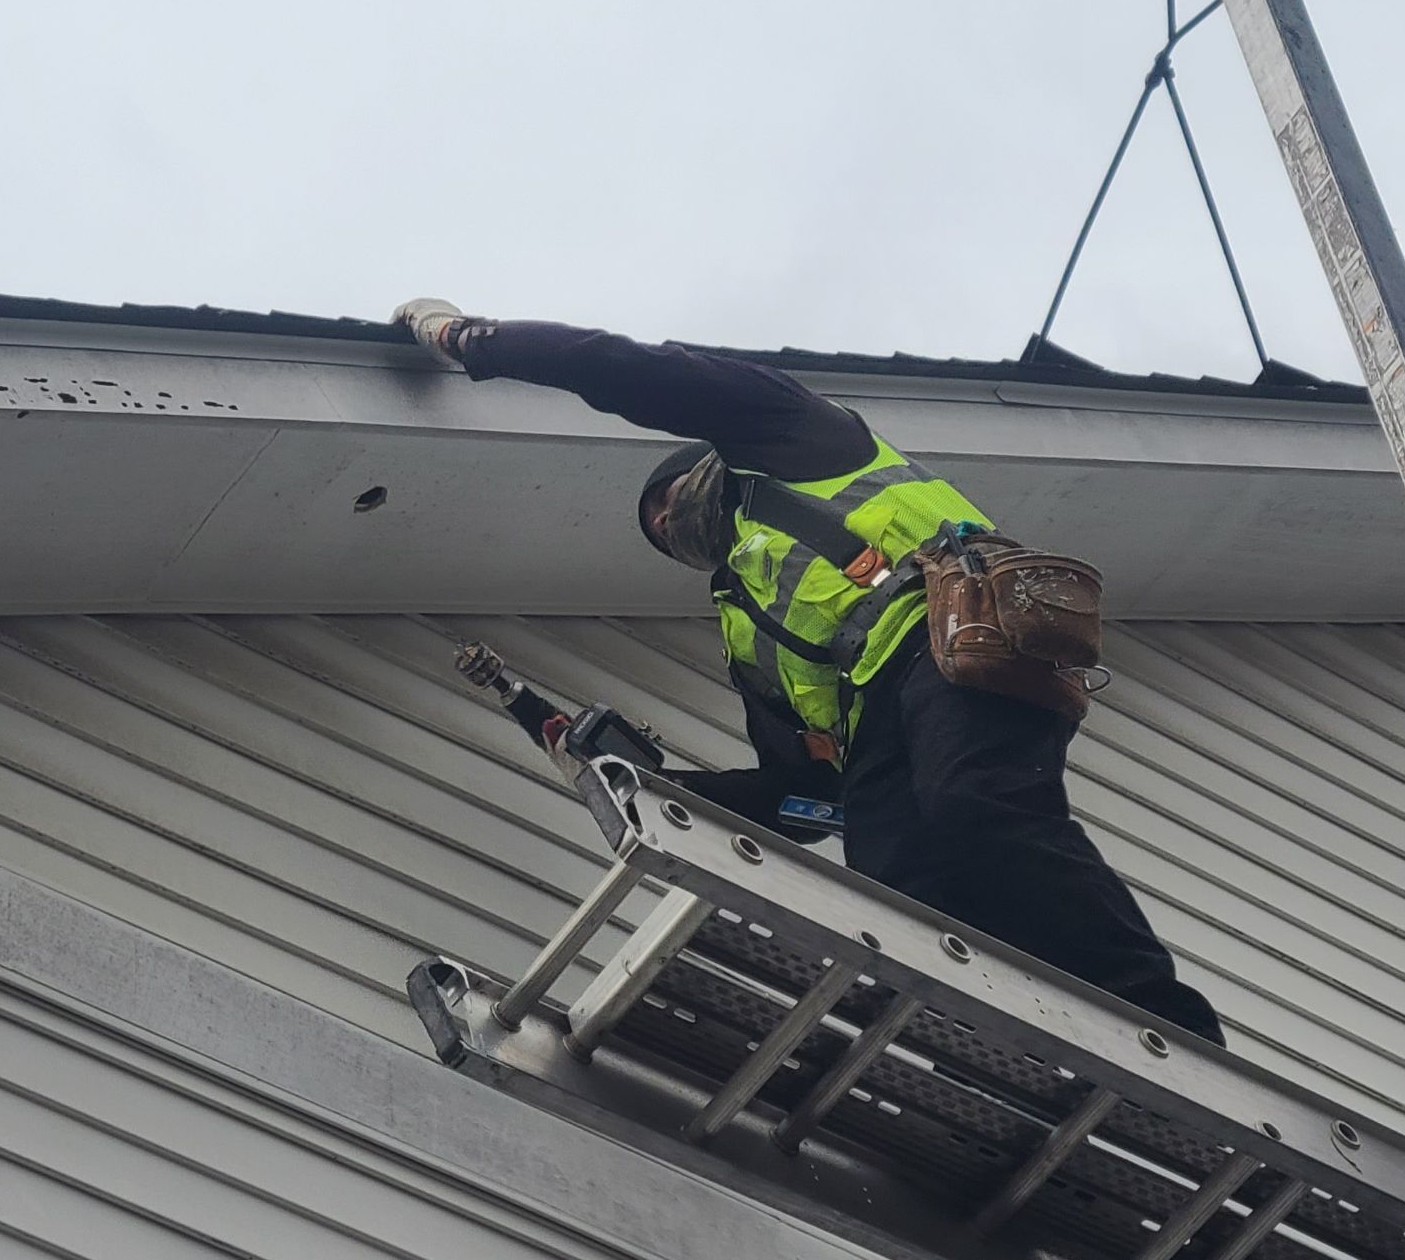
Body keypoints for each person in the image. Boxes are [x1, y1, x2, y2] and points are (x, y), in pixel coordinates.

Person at [395, 300, 1224, 1044]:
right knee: (899, 881)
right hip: (878, 723)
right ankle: (1008, 1039)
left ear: (703, 463)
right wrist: (655, 787)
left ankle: (1167, 1025)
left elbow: (631, 370)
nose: (667, 523)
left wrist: (481, 341)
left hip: (953, 627)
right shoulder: (745, 632)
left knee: (976, 801)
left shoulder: (794, 440)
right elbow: (801, 796)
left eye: (669, 500)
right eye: (658, 534)